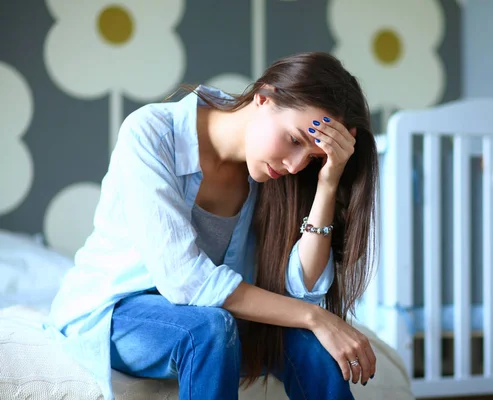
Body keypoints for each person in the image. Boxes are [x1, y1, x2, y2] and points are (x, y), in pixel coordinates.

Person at [46, 52, 380, 400]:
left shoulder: (277, 174)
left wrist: (328, 182)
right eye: (296, 139)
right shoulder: (152, 134)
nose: (296, 165)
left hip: (216, 317)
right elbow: (185, 281)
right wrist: (316, 316)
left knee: (310, 343)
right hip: (118, 313)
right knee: (209, 328)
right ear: (263, 97)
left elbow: (302, 290)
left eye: (312, 157)